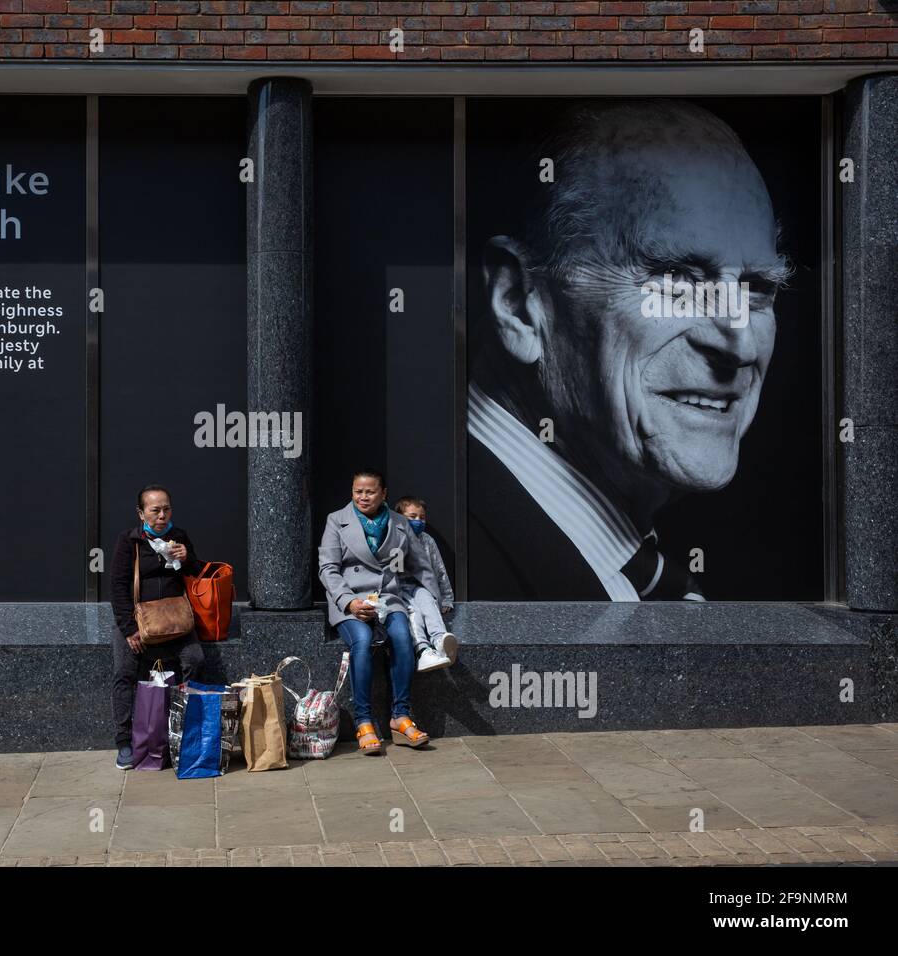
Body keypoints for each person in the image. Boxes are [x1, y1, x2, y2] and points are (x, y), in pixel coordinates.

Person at [469, 99, 791, 601]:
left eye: (757, 288)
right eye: (677, 280)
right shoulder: (437, 557)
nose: (740, 342)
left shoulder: (624, 549)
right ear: (518, 303)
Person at [318, 469, 438, 754]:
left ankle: (400, 717)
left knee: (402, 637)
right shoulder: (337, 520)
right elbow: (328, 568)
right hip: (350, 600)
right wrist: (348, 602)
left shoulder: (399, 523)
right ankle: (363, 721)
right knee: (361, 641)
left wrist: (434, 601)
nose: (363, 497)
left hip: (387, 598)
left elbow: (420, 565)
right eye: (358, 491)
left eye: (370, 491)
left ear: (383, 494)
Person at [109, 484, 205, 770]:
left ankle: (184, 730)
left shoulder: (178, 537)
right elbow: (117, 587)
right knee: (124, 671)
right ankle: (124, 741)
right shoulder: (130, 541)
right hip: (139, 619)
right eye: (155, 510)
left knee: (195, 659)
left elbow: (197, 574)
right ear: (141, 513)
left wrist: (188, 559)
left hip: (174, 618)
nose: (162, 516)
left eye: (167, 509)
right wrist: (128, 629)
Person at [391, 496, 457, 672]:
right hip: (399, 590)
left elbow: (439, 570)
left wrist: (446, 598)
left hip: (420, 587)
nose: (418, 521)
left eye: (422, 517)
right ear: (399, 518)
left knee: (428, 601)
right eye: (412, 517)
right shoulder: (393, 539)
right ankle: (422, 649)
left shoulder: (427, 541)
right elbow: (391, 571)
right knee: (413, 612)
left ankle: (440, 639)